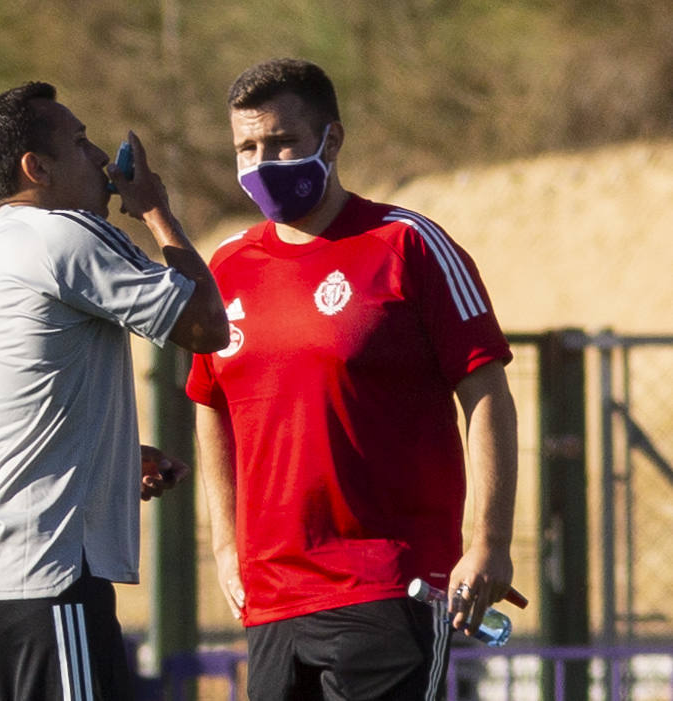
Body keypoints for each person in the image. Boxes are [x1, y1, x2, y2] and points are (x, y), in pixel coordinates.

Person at [186, 58, 518, 700]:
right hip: (273, 598)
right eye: (246, 148)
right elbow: (210, 404)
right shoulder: (227, 268)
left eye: (282, 142)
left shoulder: (409, 245)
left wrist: (491, 541)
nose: (262, 162)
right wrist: (227, 546)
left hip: (388, 582)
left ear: (331, 141)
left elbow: (486, 392)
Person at [0, 81, 228, 701]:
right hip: (47, 581)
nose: (101, 158)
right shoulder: (64, 233)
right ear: (35, 168)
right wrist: (155, 210)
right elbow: (207, 326)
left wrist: (110, 458)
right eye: (79, 141)